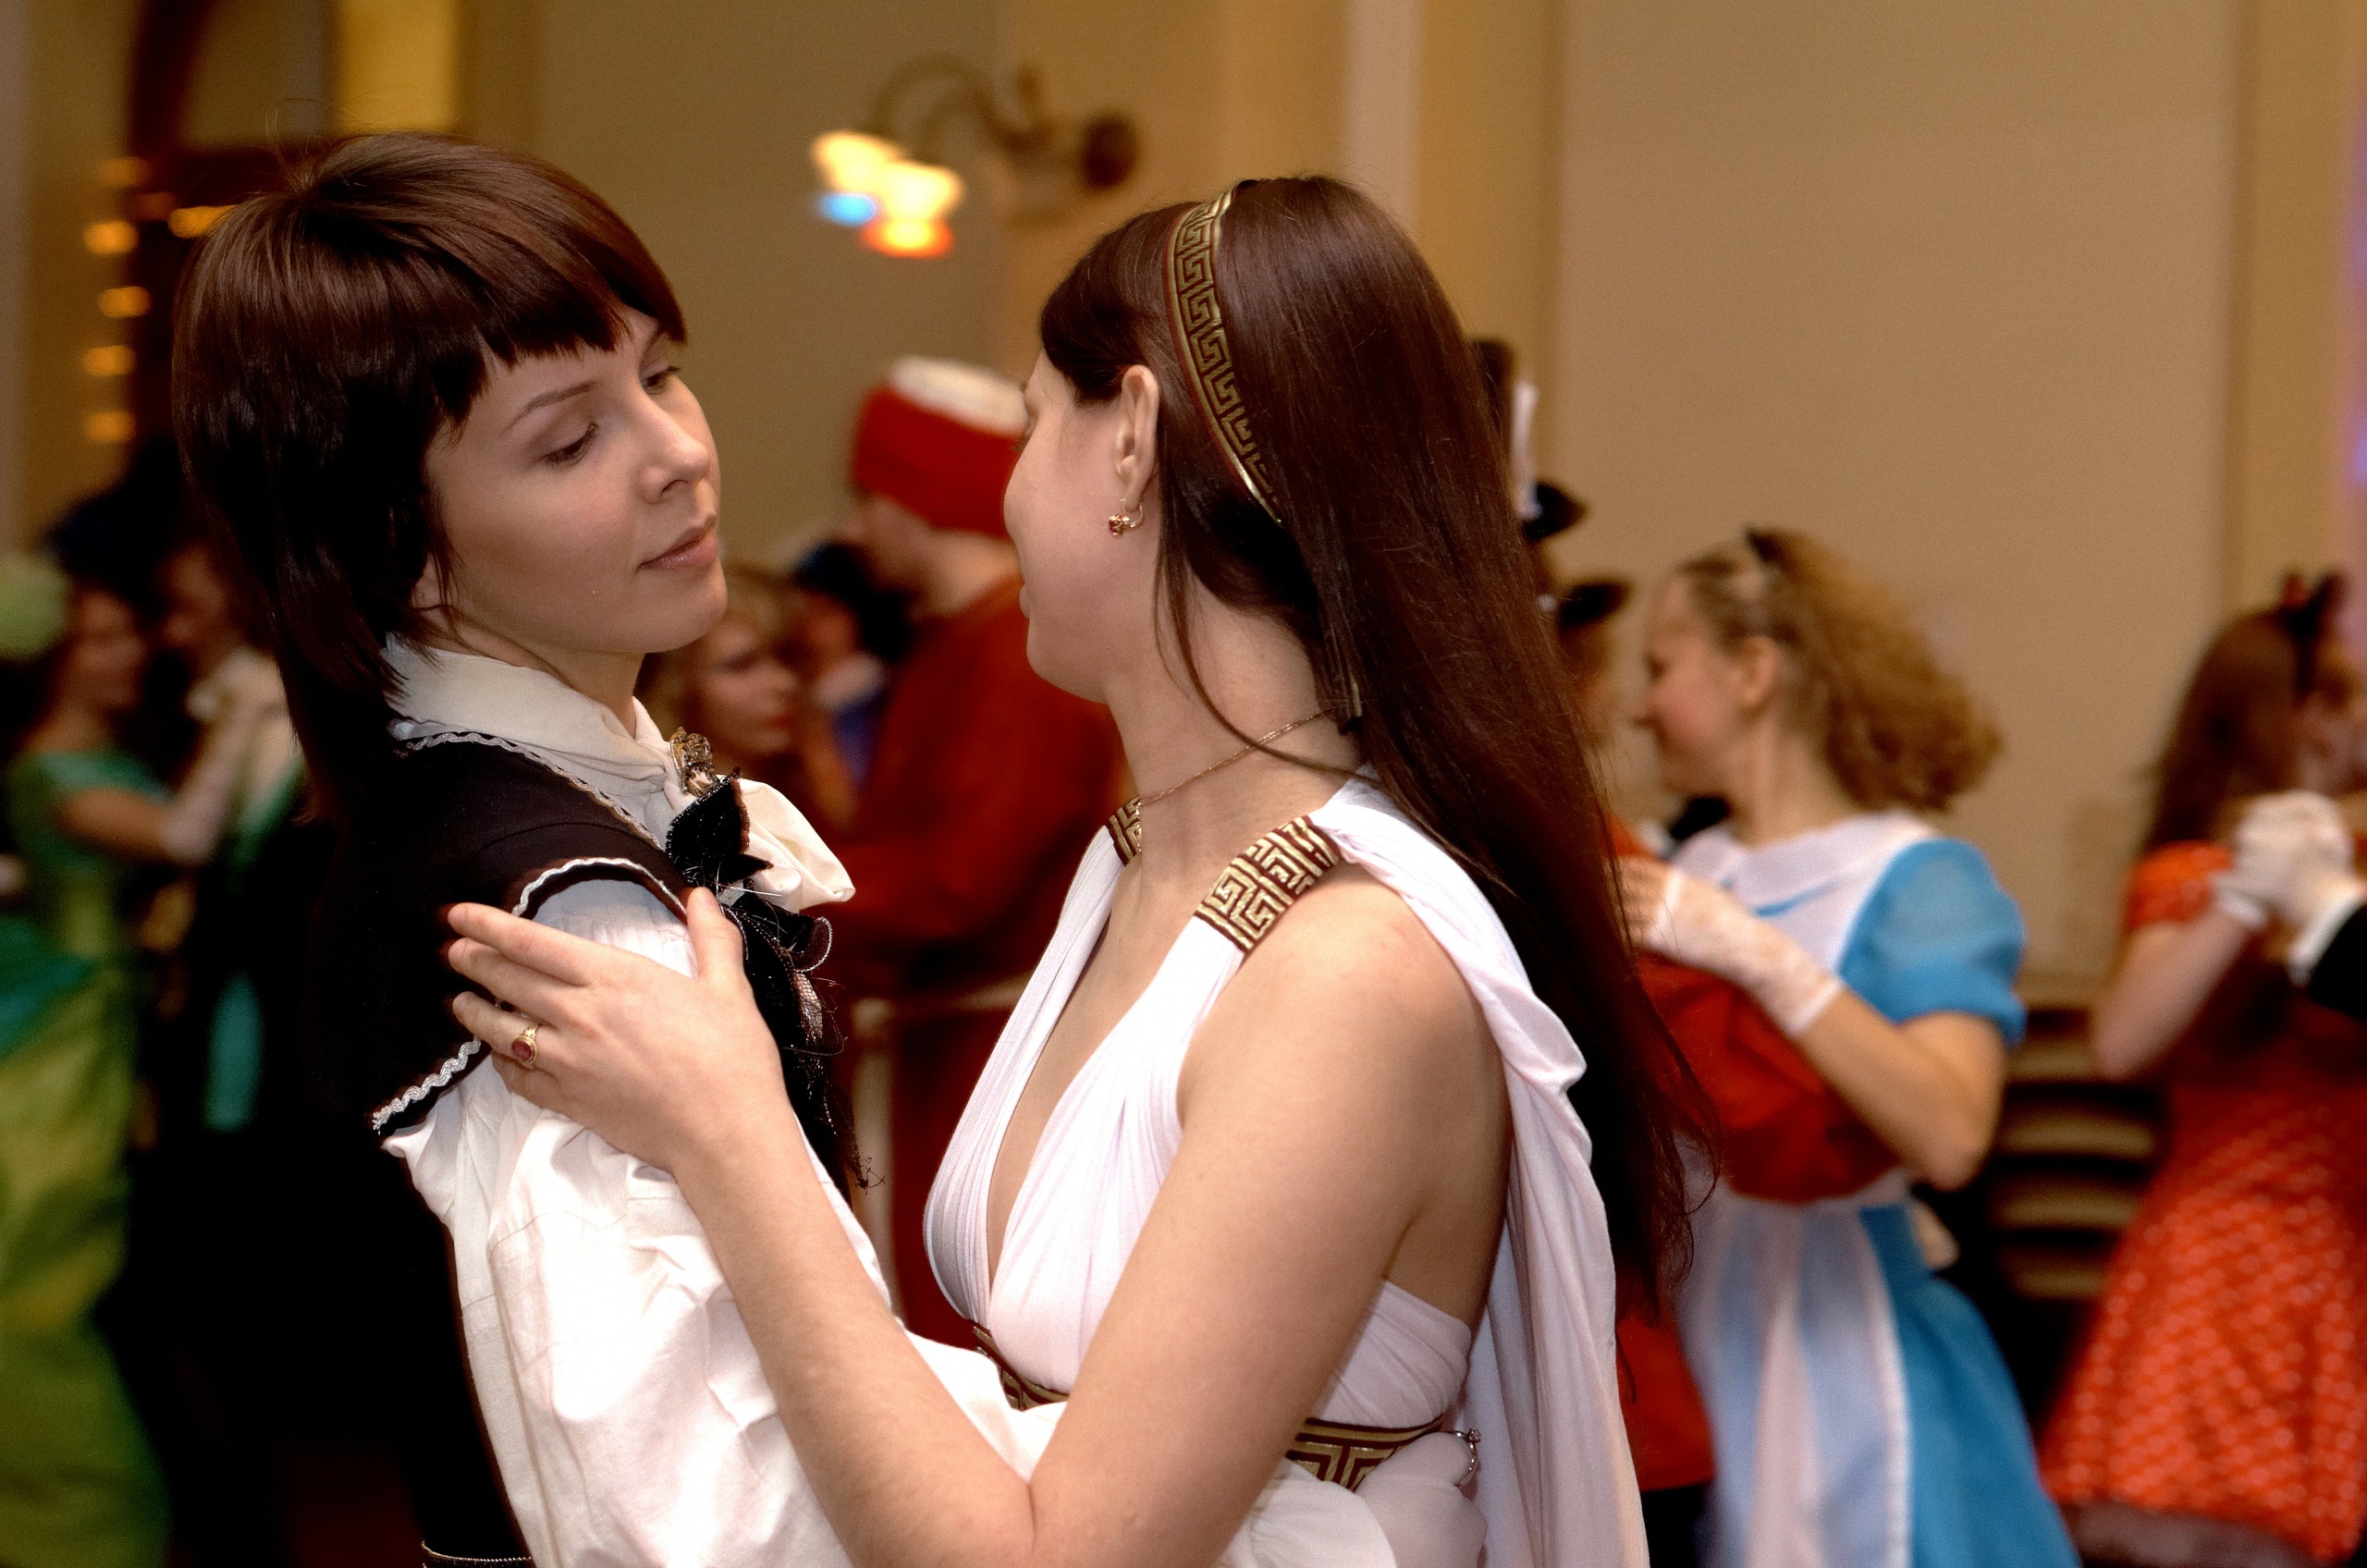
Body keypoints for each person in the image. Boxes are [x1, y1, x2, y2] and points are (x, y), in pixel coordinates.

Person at [440, 176, 1707, 1566]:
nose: (1005, 484)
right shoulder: (1148, 858)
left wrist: (727, 1130)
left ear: (1132, 444)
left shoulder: (1347, 970)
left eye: (1036, 417)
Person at [1619, 528, 2074, 1568]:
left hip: (1840, 1348)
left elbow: (1950, 1134)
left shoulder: (1919, 879)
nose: (1640, 707)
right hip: (1689, 1331)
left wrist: (1759, 957)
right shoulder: (1688, 867)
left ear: (1752, 673)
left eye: (1660, 666)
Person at [2039, 584, 2367, 1568]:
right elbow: (2119, 1044)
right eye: (2353, 698)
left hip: (2339, 1262)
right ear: (2309, 717)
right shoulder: (2195, 874)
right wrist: (2248, 896)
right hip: (2231, 1270)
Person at [825, 355, 1123, 1342]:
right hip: (941, 1047)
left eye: (869, 496)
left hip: (985, 1061)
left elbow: (959, 882)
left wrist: (778, 884)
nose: (857, 528)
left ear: (918, 498)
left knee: (970, 1344)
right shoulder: (961, 639)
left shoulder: (1016, 657)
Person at [0, 556, 280, 1568]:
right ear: (58, 662)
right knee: (49, 1241)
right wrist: (250, 707)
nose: (135, 652)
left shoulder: (109, 756)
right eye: (104, 639)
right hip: (63, 1028)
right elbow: (185, 838)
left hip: (113, 1014)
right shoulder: (51, 769)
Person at [640, 561, 858, 828]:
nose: (785, 683)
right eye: (741, 665)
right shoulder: (671, 820)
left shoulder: (817, 775)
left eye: (788, 657)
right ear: (679, 687)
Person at [785, 541, 907, 792]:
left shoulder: (887, 698)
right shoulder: (800, 701)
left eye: (825, 614)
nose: (810, 631)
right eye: (800, 616)